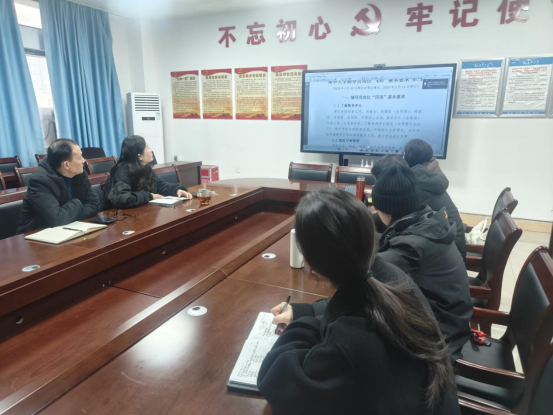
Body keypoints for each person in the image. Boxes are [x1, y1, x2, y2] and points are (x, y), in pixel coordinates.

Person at [258, 188, 460, 415]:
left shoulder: (348, 342)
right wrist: (307, 314)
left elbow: (277, 380)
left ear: (308, 262)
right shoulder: (394, 279)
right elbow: (349, 304)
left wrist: (300, 325)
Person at [372, 164, 472, 359]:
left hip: (438, 348)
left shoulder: (409, 249)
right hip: (451, 326)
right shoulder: (428, 221)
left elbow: (368, 277)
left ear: (386, 210)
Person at [372, 153, 466, 258]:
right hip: (450, 250)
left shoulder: (411, 192)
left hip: (446, 252)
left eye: (378, 183)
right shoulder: (419, 181)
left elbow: (395, 221)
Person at [17, 139, 100, 234]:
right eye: (80, 157)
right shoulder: (39, 181)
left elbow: (94, 204)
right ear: (66, 165)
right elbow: (56, 219)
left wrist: (69, 215)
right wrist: (77, 203)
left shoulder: (80, 174)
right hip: (35, 234)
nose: (83, 160)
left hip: (68, 229)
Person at [103, 135, 192, 209]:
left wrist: (177, 190)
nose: (151, 150)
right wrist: (150, 196)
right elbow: (123, 199)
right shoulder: (122, 171)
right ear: (140, 156)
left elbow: (159, 185)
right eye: (148, 147)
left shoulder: (145, 167)